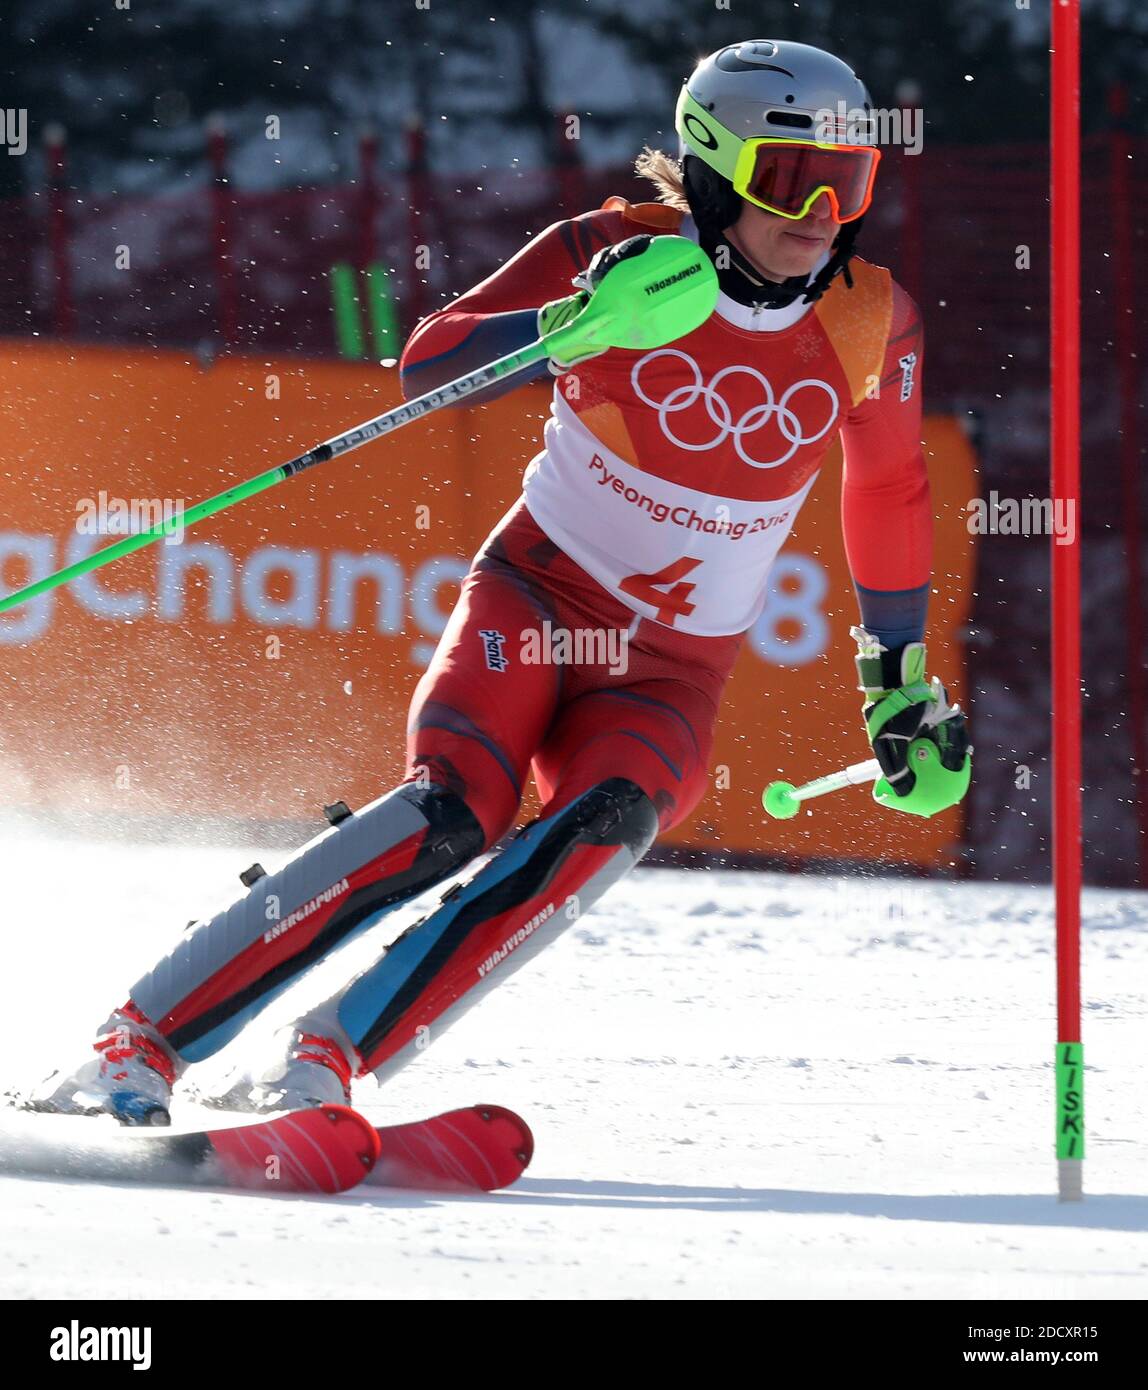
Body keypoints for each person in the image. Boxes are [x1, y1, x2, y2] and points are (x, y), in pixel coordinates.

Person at [32, 38, 969, 1124]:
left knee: (606, 819)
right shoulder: (608, 251)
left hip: (670, 668)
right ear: (712, 171)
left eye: (847, 185)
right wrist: (574, 326)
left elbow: (891, 488)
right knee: (453, 809)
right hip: (535, 599)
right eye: (790, 180)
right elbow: (431, 360)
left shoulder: (867, 318)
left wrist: (895, 677)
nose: (819, 215)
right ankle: (136, 1040)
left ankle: (324, 1060)